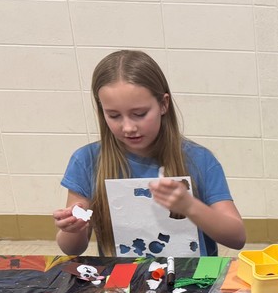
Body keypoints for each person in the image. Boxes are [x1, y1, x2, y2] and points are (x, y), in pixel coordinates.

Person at [53, 50, 246, 257]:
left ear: (164, 104)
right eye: (114, 115)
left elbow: (236, 237)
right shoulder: (86, 161)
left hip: (191, 279)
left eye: (139, 114)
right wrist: (72, 228)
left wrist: (191, 207)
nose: (128, 127)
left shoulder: (199, 160)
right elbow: (71, 248)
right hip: (125, 280)